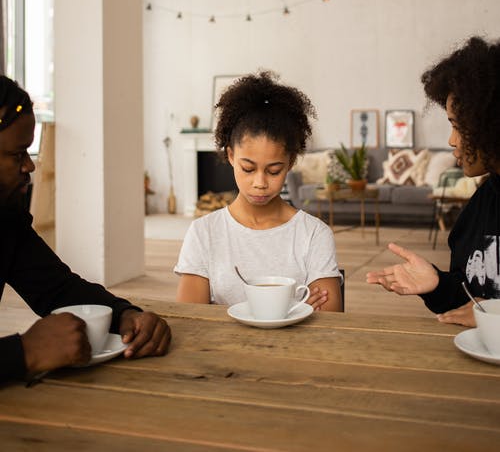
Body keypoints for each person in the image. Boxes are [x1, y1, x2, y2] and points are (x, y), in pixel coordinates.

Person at [0, 76, 171, 384]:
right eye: (17, 155)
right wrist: (22, 353)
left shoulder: (6, 219)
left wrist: (126, 316)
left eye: (29, 152)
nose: (29, 166)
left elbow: (57, 288)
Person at [175, 71, 343, 311]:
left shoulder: (314, 234)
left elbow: (328, 322)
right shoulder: (204, 233)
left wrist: (224, 310)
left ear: (291, 161)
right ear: (231, 155)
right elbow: (191, 319)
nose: (260, 182)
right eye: (248, 168)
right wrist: (295, 310)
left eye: (274, 171)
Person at [366, 36, 500, 327]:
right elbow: (469, 306)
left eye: (457, 126)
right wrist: (437, 285)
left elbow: (483, 314)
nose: (451, 141)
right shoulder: (478, 209)